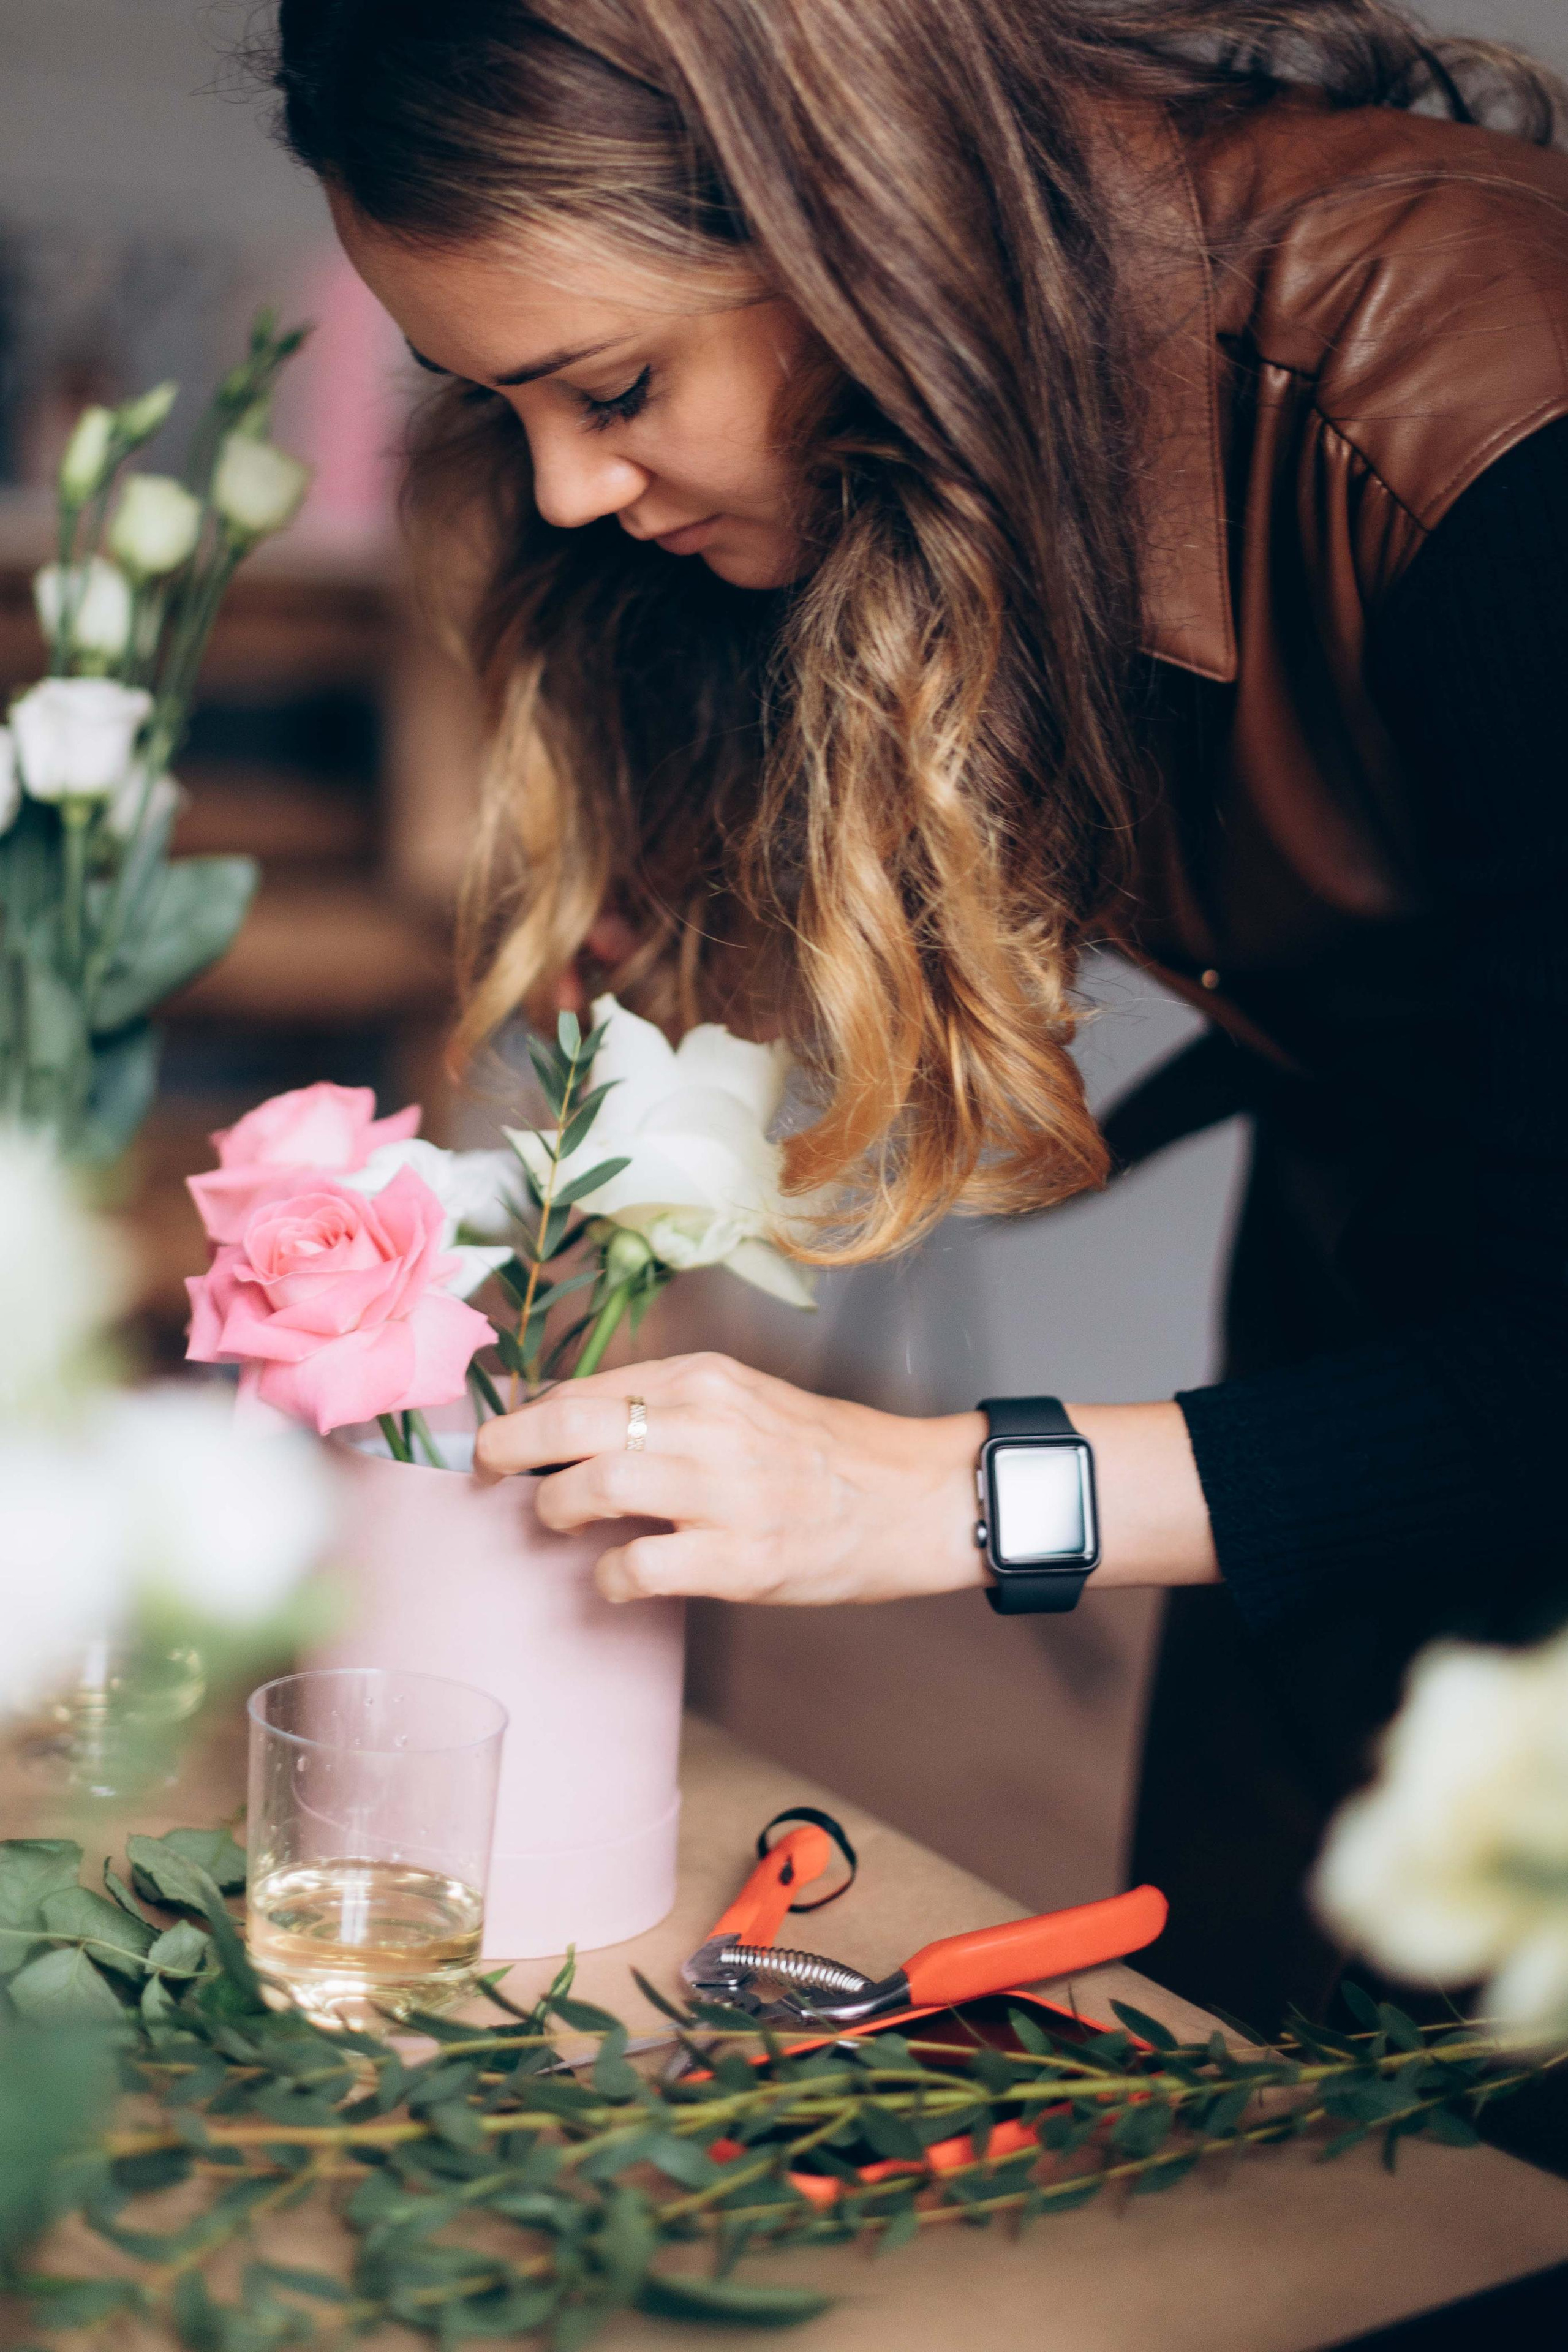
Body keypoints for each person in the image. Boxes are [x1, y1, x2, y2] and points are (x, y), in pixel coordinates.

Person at [272, 0, 1568, 2030]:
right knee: (1288, 2125)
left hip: (1502, 1393)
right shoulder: (964, 422)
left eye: (613, 385)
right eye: (492, 401)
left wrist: (937, 1494)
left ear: (856, 222)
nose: (562, 490)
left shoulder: (1481, 433)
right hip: (1364, 1335)